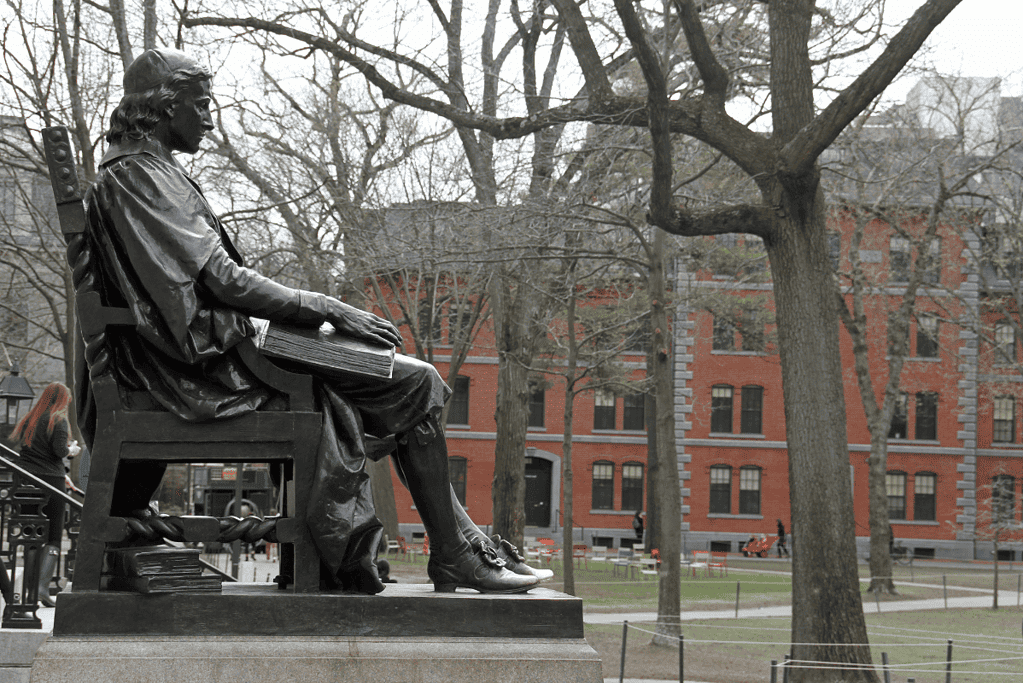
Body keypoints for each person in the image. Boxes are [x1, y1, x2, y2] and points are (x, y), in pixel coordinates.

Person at [79, 47, 546, 594]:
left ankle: (463, 548)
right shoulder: (141, 176)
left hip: (213, 352)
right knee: (416, 381)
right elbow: (224, 280)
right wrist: (329, 306)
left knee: (407, 381)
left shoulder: (145, 173)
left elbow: (213, 281)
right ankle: (456, 553)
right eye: (201, 105)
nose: (209, 118)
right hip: (199, 368)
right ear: (161, 107)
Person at [10, 383, 77, 607]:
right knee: (53, 536)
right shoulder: (58, 419)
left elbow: (32, 452)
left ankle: (30, 591)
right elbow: (59, 452)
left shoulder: (31, 417)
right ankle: (41, 588)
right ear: (62, 400)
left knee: (32, 535)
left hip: (26, 482)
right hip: (50, 483)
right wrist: (72, 451)